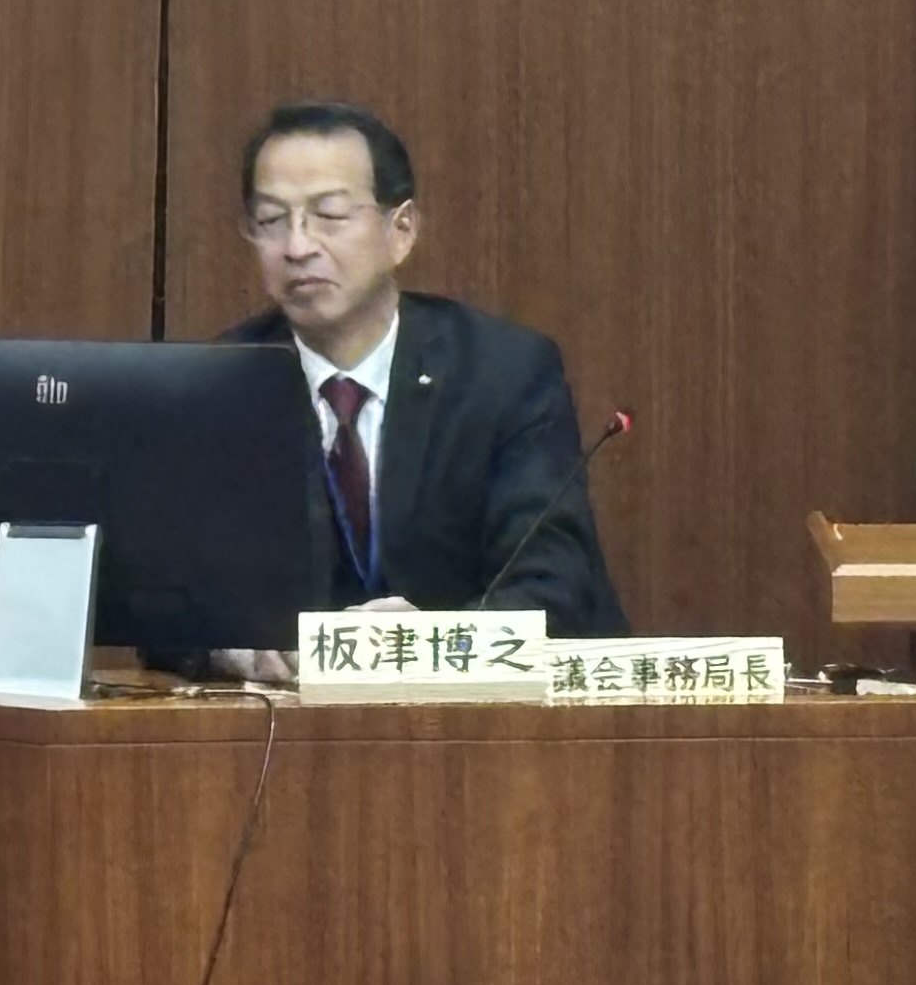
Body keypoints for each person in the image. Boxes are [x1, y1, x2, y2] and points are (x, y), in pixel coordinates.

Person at [221, 100, 628, 646]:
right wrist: (231, 650)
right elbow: (169, 598)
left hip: (480, 695)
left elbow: (555, 587)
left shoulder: (502, 374)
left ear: (402, 230)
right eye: (271, 221)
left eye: (330, 215)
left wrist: (428, 642)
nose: (297, 246)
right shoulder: (222, 384)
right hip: (283, 700)